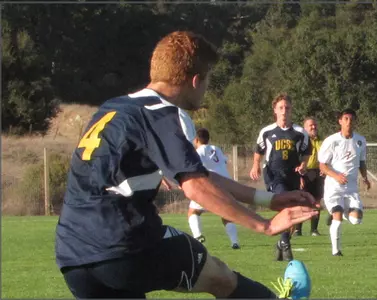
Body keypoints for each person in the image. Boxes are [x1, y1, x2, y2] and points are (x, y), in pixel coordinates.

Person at [54, 31, 317, 299]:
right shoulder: (159, 113)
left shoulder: (112, 109)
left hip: (73, 254)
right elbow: (196, 187)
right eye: (207, 80)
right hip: (124, 245)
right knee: (222, 278)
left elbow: (200, 177)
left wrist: (270, 199)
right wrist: (266, 225)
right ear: (195, 80)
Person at [249, 94, 312, 261]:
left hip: (292, 175)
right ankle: (285, 242)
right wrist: (255, 165)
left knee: (293, 209)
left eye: (287, 108)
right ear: (275, 110)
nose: (284, 111)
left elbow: (306, 153)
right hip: (274, 174)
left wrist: (304, 165)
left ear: (291, 110)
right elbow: (258, 151)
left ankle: (282, 242)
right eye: (281, 108)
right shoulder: (267, 132)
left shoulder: (300, 133)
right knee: (285, 205)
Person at [318, 109, 371, 256]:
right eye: (346, 119)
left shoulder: (360, 140)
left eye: (351, 119)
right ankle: (336, 251)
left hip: (351, 188)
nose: (349, 122)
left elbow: (362, 162)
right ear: (340, 121)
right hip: (333, 188)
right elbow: (322, 165)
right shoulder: (332, 141)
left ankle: (337, 212)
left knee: (356, 220)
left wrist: (365, 178)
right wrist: (336, 176)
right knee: (338, 216)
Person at [186, 128, 242, 249]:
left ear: (196, 140)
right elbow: (224, 162)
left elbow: (195, 166)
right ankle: (235, 242)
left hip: (209, 184)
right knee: (226, 215)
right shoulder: (216, 149)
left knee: (193, 211)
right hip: (224, 184)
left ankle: (198, 236)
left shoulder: (199, 151)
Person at [297, 117, 324, 236]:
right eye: (310, 125)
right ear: (305, 128)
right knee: (301, 202)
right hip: (304, 173)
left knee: (316, 202)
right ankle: (298, 230)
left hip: (318, 173)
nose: (313, 127)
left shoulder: (322, 141)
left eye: (315, 125)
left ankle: (314, 230)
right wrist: (299, 176)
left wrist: (325, 169)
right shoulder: (301, 141)